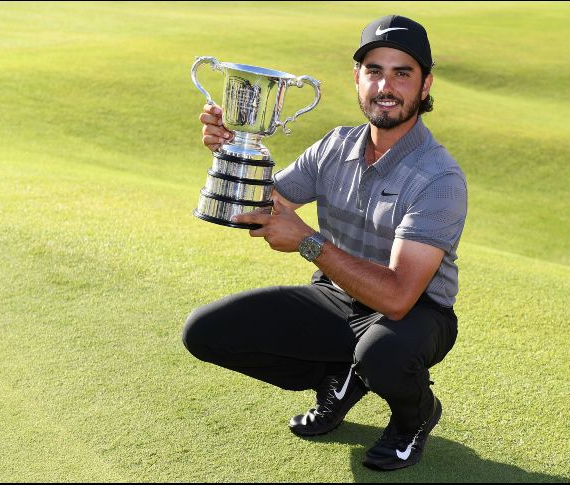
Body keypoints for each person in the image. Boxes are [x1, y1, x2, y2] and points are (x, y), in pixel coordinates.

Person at [183, 14, 467, 471]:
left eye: (402, 73)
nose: (384, 86)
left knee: (382, 354)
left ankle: (414, 417)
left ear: (425, 85)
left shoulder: (439, 177)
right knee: (205, 333)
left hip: (416, 314)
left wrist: (309, 242)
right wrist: (234, 152)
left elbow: (397, 297)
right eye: (374, 70)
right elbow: (260, 205)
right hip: (338, 298)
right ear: (357, 77)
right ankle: (339, 374)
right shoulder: (335, 146)